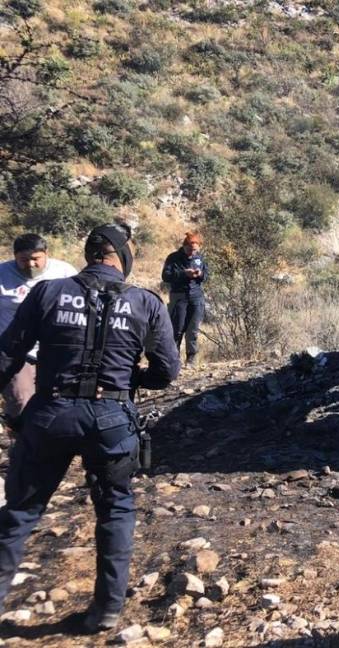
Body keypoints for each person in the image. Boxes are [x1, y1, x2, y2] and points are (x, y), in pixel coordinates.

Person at [0, 224, 179, 632]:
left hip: (50, 413)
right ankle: (106, 611)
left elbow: (7, 355)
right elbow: (168, 371)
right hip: (112, 418)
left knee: (20, 514)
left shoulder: (47, 292)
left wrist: (12, 412)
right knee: (115, 509)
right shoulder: (146, 302)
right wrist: (131, 382)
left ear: (90, 254)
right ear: (121, 256)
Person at [0, 234, 77, 433]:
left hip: (55, 350)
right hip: (15, 351)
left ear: (46, 255)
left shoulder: (64, 272)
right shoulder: (2, 274)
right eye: (24, 260)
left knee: (57, 402)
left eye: (36, 259)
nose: (31, 264)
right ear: (14, 257)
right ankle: (22, 452)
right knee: (21, 401)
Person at [161, 232, 210, 367]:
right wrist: (183, 274)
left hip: (196, 297)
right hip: (179, 297)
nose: (191, 252)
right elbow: (165, 276)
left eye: (194, 250)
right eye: (189, 249)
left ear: (199, 247)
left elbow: (207, 275)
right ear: (184, 246)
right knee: (177, 329)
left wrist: (200, 275)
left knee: (193, 330)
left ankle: (191, 359)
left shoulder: (200, 258)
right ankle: (173, 360)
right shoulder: (173, 258)